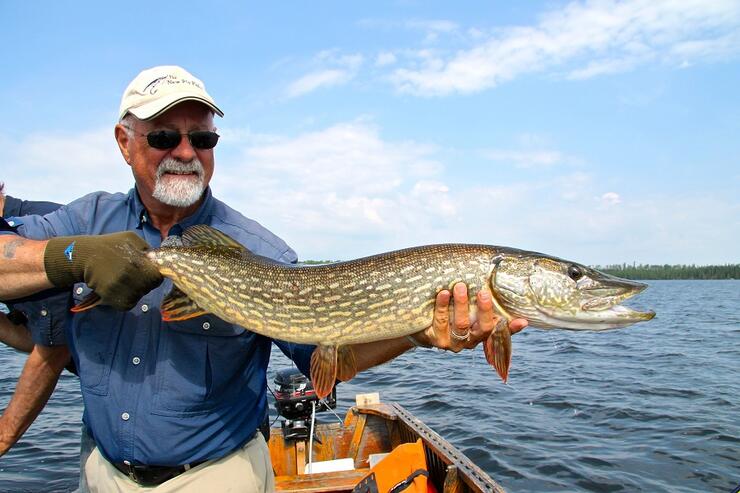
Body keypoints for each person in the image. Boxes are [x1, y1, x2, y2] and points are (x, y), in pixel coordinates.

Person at [0, 65, 527, 492]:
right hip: (101, 472)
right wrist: (74, 256)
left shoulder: (262, 250)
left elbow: (325, 351)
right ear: (124, 141)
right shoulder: (81, 221)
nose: (186, 152)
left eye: (202, 137)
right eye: (164, 136)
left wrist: (416, 332)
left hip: (217, 476)